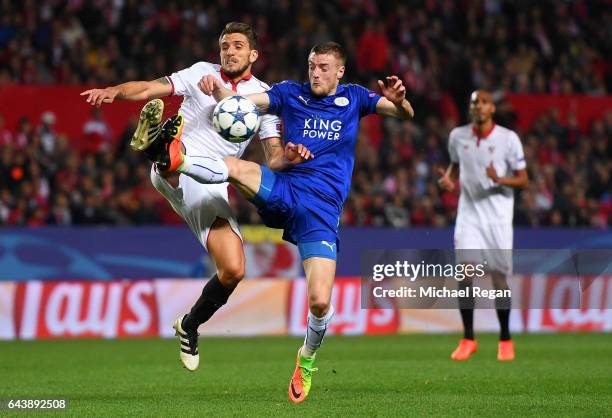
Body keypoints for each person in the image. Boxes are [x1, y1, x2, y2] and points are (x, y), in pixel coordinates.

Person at [156, 41, 414, 403]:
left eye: (324, 67)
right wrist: (222, 93)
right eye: (312, 65)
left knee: (321, 302)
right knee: (234, 168)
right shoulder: (290, 93)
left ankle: (305, 360)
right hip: (286, 189)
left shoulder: (356, 98)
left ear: (340, 71)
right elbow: (249, 103)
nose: (316, 73)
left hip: (321, 212)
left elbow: (406, 115)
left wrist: (399, 100)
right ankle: (175, 159)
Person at [80, 22, 307, 372]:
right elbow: (151, 87)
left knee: (233, 269)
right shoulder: (201, 72)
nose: (229, 51)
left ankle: (189, 325)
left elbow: (273, 156)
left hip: (212, 183)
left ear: (253, 55)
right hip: (178, 166)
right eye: (224, 46)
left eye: (237, 45)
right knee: (174, 155)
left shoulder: (265, 98)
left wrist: (290, 155)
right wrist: (114, 91)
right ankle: (161, 146)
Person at [438, 90, 528, 361]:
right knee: (465, 274)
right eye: (474, 102)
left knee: (498, 278)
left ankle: (505, 339)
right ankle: (468, 338)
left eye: (483, 102)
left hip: (498, 218)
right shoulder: (458, 136)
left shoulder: (508, 139)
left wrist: (499, 179)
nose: (477, 106)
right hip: (469, 215)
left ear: (492, 109)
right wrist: (448, 180)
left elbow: (523, 179)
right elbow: (455, 164)